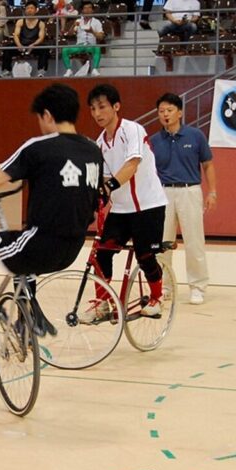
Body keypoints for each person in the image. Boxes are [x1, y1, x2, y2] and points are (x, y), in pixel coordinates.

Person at [0, 83, 102, 313]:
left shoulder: (38, 147)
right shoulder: (94, 150)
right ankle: (27, 316)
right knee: (22, 245)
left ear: (47, 115)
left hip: (39, 246)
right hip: (73, 248)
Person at [86, 83, 168, 320]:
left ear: (116, 106)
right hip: (121, 210)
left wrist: (109, 186)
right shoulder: (100, 143)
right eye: (93, 109)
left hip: (148, 206)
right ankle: (102, 302)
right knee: (102, 253)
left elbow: (132, 165)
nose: (97, 113)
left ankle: (157, 297)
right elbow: (102, 178)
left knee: (145, 255)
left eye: (102, 107)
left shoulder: (133, 130)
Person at [150, 92, 216, 305]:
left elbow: (208, 164)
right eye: (161, 111)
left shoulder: (195, 136)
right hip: (163, 194)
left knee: (194, 241)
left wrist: (212, 192)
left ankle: (198, 287)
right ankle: (164, 286)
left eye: (169, 110)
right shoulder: (154, 141)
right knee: (162, 243)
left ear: (179, 112)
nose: (165, 114)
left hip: (190, 191)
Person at [0, 0, 48, 78]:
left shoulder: (41, 23)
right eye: (28, 8)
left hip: (34, 45)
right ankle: (6, 70)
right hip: (21, 44)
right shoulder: (20, 21)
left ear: (36, 10)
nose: (29, 10)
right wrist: (19, 45)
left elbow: (41, 38)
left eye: (32, 8)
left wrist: (33, 45)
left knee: (45, 49)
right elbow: (16, 35)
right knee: (7, 48)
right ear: (25, 10)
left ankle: (41, 71)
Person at [62, 1, 105, 77]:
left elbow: (101, 37)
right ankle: (69, 70)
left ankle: (95, 69)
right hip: (79, 46)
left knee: (97, 48)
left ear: (92, 10)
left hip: (90, 46)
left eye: (89, 8)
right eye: (85, 8)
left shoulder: (96, 22)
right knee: (65, 50)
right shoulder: (78, 21)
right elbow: (70, 34)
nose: (87, 10)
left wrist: (92, 32)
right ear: (82, 10)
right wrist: (73, 26)